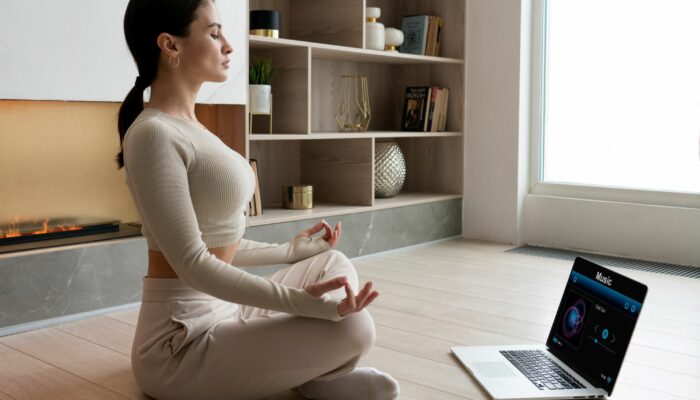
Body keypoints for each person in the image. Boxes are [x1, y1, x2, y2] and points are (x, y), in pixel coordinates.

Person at [114, 1, 400, 399]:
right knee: (356, 327)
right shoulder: (153, 135)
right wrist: (304, 305)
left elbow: (215, 246)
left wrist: (288, 252)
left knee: (330, 262)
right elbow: (193, 264)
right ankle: (317, 377)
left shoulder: (192, 127)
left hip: (226, 309)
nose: (229, 45)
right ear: (170, 45)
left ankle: (313, 374)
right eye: (214, 34)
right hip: (180, 342)